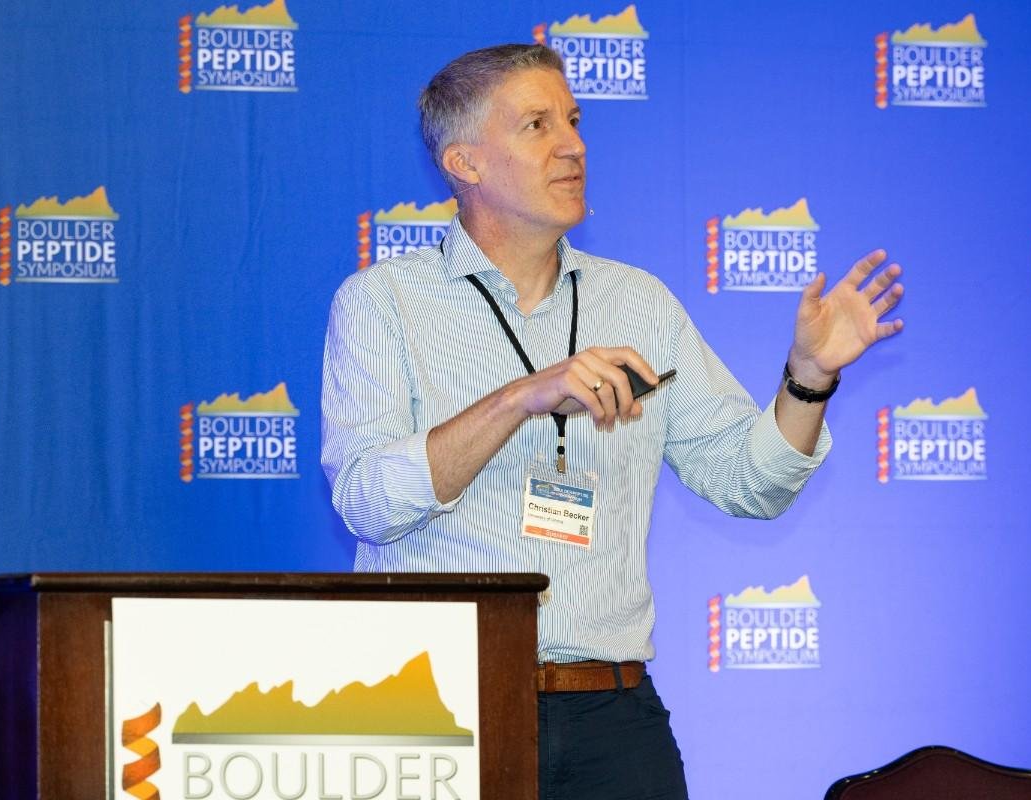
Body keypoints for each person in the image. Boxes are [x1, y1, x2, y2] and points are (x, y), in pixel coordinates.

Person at [321, 43, 904, 800]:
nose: (573, 145)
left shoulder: (640, 304)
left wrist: (809, 377)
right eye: (537, 125)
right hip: (439, 712)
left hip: (612, 716)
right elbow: (366, 501)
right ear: (464, 163)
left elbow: (750, 482)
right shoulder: (382, 303)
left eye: (574, 120)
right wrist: (518, 398)